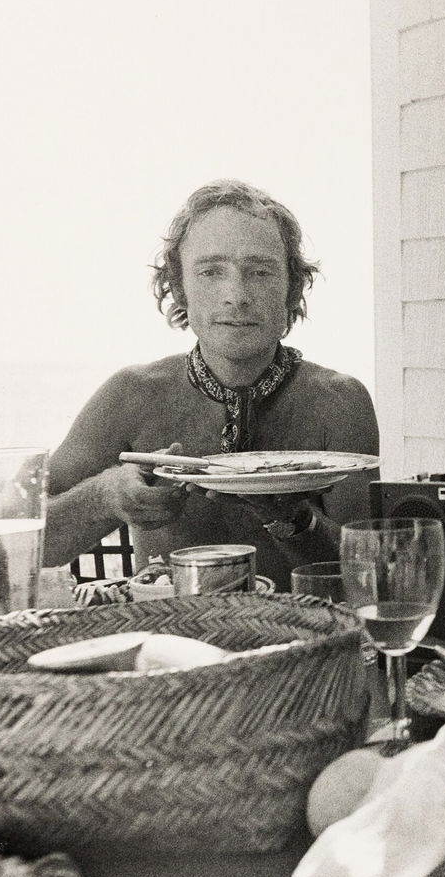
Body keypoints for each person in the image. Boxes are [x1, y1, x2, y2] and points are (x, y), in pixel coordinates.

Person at [44, 180, 379, 586]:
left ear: (292, 288)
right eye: (211, 271)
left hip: (303, 638)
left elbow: (366, 575)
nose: (236, 295)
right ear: (179, 287)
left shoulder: (340, 401)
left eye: (259, 271)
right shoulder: (131, 395)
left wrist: (294, 518)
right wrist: (106, 495)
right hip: (167, 641)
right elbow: (35, 547)